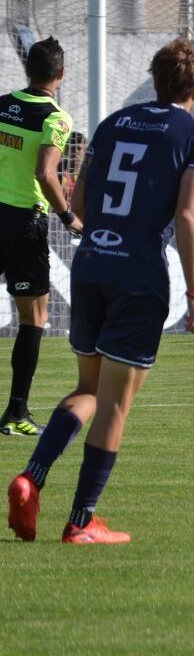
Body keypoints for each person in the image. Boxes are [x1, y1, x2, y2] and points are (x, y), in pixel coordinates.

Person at [7, 38, 194, 545]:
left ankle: (30, 477)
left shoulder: (114, 122)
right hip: (139, 272)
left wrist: (101, 238)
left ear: (154, 77)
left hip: (91, 262)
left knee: (89, 389)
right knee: (115, 404)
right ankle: (81, 520)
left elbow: (79, 197)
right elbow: (189, 213)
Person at [0, 37, 82, 437]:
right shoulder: (56, 118)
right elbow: (45, 172)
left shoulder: (1, 105)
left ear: (27, 69)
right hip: (24, 224)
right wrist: (68, 215)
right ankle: (16, 412)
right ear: (60, 74)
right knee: (33, 318)